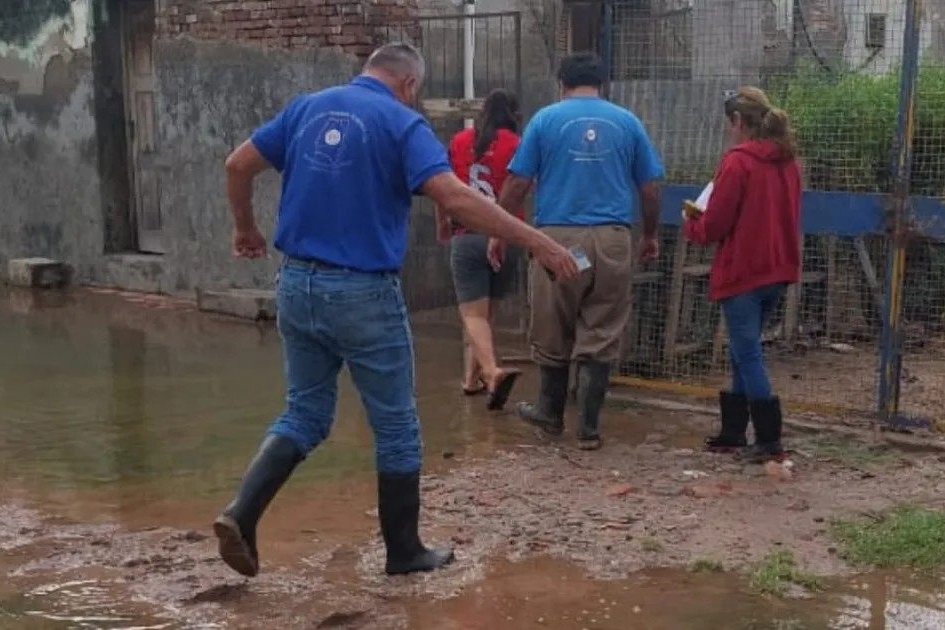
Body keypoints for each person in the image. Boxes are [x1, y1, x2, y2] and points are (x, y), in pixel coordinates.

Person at [215, 43, 580, 579]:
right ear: (409, 84)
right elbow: (455, 198)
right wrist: (538, 242)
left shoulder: (305, 108)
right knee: (396, 424)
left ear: (368, 71)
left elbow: (237, 164)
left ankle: (241, 514)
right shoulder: (401, 123)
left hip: (295, 283)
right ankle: (404, 551)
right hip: (362, 290)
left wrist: (245, 228)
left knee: (305, 413)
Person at [495, 53, 664, 451]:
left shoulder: (545, 120)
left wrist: (498, 232)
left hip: (558, 240)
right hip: (612, 239)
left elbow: (517, 183)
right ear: (603, 84)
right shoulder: (628, 122)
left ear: (562, 84)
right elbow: (650, 188)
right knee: (602, 328)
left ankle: (550, 413)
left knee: (552, 323)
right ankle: (588, 428)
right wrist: (650, 235)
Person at [681, 86, 802, 462]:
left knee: (747, 352)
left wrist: (692, 223)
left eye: (729, 123)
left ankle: (768, 438)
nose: (728, 130)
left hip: (744, 269)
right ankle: (733, 431)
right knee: (741, 348)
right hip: (777, 266)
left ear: (738, 121)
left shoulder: (737, 162)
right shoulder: (788, 161)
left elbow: (716, 222)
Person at [436, 89, 525, 409]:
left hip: (467, 234)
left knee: (474, 316)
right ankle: (471, 379)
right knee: (487, 317)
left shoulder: (460, 141)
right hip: (505, 236)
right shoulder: (517, 144)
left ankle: (490, 372)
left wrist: (442, 223)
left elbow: (442, 187)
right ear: (514, 115)